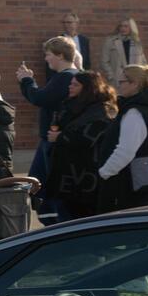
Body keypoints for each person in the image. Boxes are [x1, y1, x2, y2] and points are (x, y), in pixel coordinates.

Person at [19, 35, 82, 224]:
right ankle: (50, 219)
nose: (46, 59)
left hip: (54, 140)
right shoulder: (68, 76)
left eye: (48, 55)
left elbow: (41, 98)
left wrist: (27, 80)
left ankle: (55, 223)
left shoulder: (66, 77)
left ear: (60, 55)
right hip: (49, 138)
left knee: (45, 184)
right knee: (37, 182)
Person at [46, 71, 118, 220]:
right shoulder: (72, 106)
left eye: (75, 84)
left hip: (86, 175)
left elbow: (88, 137)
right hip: (68, 173)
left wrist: (61, 137)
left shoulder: (102, 109)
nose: (70, 87)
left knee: (83, 217)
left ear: (87, 88)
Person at [103, 65, 148, 212]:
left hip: (127, 184)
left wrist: (104, 173)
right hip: (145, 181)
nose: (118, 86)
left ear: (135, 84)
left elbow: (125, 151)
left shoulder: (135, 112)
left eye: (121, 82)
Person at [99, 18, 146, 84]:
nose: (123, 28)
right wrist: (111, 76)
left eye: (126, 26)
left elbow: (143, 61)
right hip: (117, 78)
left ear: (131, 28)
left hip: (134, 78)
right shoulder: (111, 41)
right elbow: (104, 61)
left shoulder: (136, 42)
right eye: (121, 26)